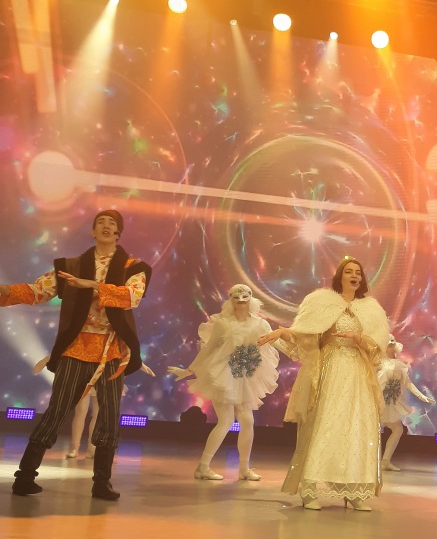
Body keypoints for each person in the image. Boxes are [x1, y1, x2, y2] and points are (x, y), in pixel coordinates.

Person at [0, 209, 152, 500]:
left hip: (111, 351)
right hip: (77, 347)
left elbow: (131, 297)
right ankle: (25, 477)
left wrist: (92, 285)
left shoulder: (133, 267)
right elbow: (38, 291)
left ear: (118, 233)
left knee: (109, 416)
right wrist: (6, 290)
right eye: (100, 222)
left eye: (112, 223)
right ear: (93, 232)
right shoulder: (72, 266)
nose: (106, 226)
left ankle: (102, 482)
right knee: (57, 410)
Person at [259, 257, 389, 510]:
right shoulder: (322, 301)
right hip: (330, 369)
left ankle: (354, 490)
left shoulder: (371, 308)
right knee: (325, 424)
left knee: (356, 428)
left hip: (358, 373)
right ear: (340, 276)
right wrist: (283, 332)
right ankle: (309, 489)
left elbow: (377, 348)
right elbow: (305, 335)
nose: (354, 276)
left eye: (358, 272)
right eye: (349, 272)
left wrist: (358, 338)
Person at [168, 284, 280, 481]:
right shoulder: (224, 323)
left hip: (245, 375)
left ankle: (244, 469)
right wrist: (189, 370)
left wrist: (300, 353)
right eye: (236, 297)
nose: (241, 300)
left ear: (251, 299)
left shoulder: (260, 324)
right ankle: (203, 467)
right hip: (224, 375)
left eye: (245, 297)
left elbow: (276, 342)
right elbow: (208, 349)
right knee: (226, 421)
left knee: (248, 421)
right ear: (230, 300)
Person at [378, 336, 436, 471]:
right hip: (378, 400)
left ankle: (385, 461)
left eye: (392, 343)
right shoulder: (378, 362)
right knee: (374, 431)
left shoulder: (399, 365)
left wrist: (422, 396)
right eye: (388, 343)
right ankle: (371, 462)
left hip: (391, 402)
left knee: (397, 430)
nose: (390, 345)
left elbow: (408, 383)